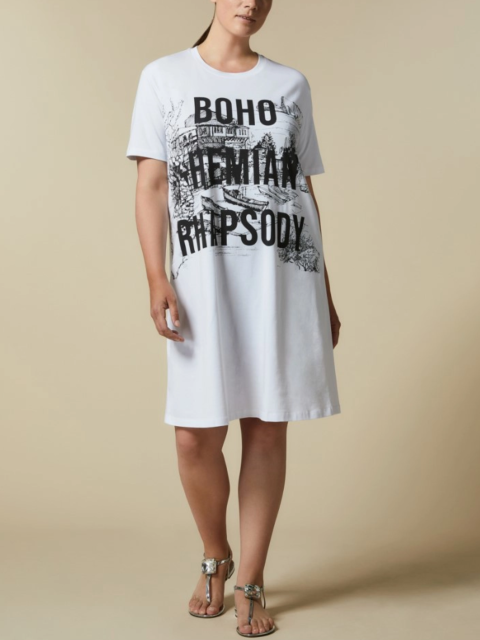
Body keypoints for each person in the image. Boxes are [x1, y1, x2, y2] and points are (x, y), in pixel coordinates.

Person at [125, 1, 342, 636]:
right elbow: (151, 185)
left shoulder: (289, 84)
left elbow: (302, 192)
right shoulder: (164, 77)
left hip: (283, 278)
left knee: (267, 428)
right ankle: (214, 554)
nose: (251, 2)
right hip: (203, 281)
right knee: (195, 435)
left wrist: (325, 291)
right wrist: (157, 276)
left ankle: (249, 578)